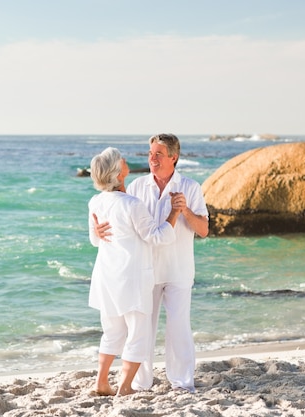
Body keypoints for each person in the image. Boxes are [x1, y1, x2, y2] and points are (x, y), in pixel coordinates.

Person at [94, 134, 209, 393]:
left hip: (178, 269)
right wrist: (99, 232)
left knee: (179, 328)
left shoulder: (190, 187)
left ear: (173, 157)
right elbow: (118, 217)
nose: (152, 158)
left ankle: (181, 382)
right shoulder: (136, 186)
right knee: (142, 330)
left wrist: (186, 211)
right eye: (150, 153)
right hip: (144, 271)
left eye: (158, 153)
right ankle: (140, 382)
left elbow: (203, 229)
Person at [87, 147, 184, 396]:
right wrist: (174, 212)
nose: (127, 161)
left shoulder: (95, 201)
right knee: (138, 333)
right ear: (119, 173)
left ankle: (101, 382)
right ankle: (125, 387)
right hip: (132, 276)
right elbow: (157, 236)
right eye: (123, 160)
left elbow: (95, 240)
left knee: (112, 331)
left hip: (106, 276)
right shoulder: (132, 204)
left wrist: (98, 233)